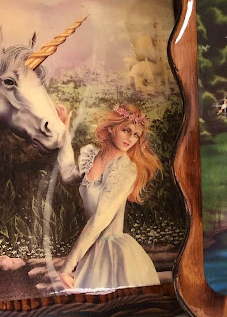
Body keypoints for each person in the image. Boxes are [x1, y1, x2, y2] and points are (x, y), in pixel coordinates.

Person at [55, 102, 162, 291]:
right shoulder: (92, 156)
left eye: (136, 135)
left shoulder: (125, 169)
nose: (131, 138)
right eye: (126, 130)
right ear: (112, 128)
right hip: (91, 248)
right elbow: (68, 173)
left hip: (114, 255)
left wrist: (67, 267)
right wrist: (63, 131)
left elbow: (100, 218)